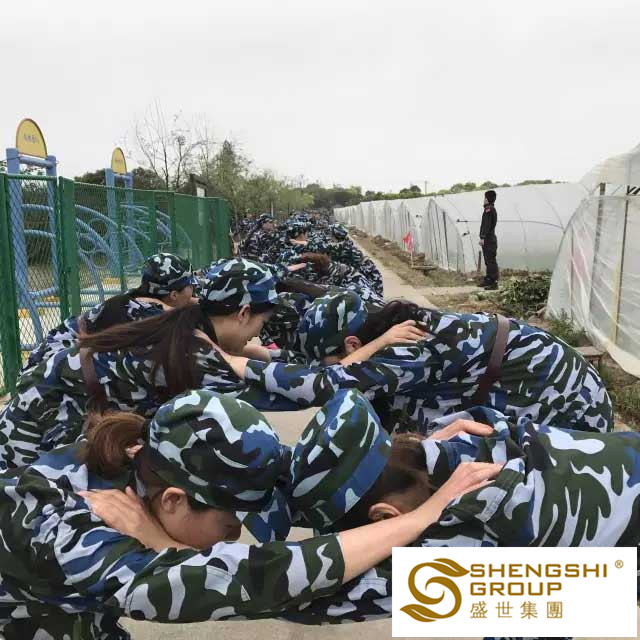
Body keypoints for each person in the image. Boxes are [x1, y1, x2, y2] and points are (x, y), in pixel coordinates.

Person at [65, 389, 500, 640]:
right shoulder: (85, 530)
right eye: (231, 524)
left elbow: (295, 591)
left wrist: (413, 492)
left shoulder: (144, 455)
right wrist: (415, 469)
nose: (231, 539)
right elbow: (257, 581)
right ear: (173, 500)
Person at [0, 259, 308, 469]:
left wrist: (260, 356)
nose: (193, 294)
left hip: (51, 385)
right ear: (173, 293)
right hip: (47, 408)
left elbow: (230, 357)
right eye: (189, 287)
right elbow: (268, 386)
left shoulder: (155, 312)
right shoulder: (167, 328)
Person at [219, 291, 613, 435]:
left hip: (567, 412)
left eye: (336, 355)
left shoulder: (407, 344)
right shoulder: (383, 331)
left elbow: (324, 383)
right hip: (536, 393)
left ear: (353, 342)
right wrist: (264, 356)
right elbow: (324, 370)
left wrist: (232, 362)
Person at [24, 253, 197, 370]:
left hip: (50, 357)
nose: (194, 290)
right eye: (191, 285)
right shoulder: (147, 317)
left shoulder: (136, 298)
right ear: (174, 295)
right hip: (48, 365)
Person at [480, 189, 499, 290]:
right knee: (488, 261)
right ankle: (488, 280)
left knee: (491, 261)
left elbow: (486, 225)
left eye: (484, 198)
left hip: (489, 240)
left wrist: (482, 237)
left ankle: (494, 282)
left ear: (487, 199)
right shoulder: (491, 209)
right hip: (490, 239)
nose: (483, 200)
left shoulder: (488, 209)